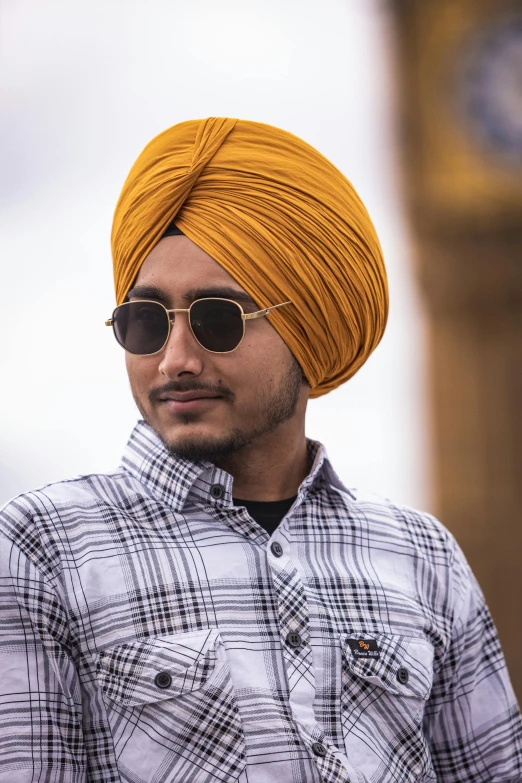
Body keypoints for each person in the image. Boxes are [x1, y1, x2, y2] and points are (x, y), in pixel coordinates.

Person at [0, 118, 520, 783]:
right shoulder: (47, 548)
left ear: (310, 330)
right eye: (146, 322)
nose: (176, 360)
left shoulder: (424, 559)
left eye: (219, 318)